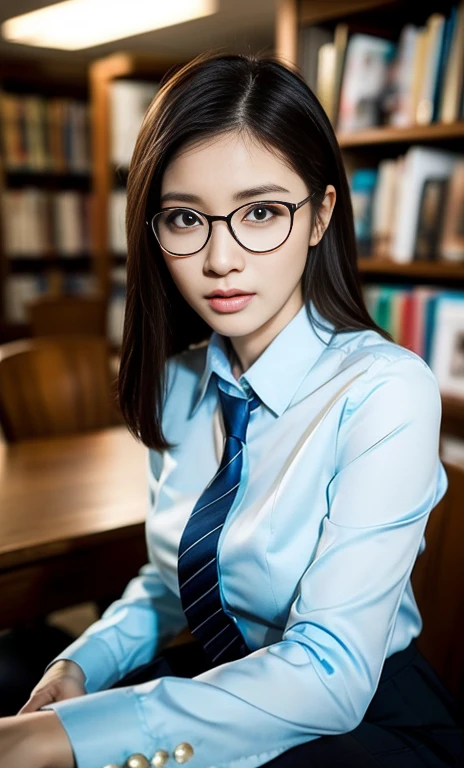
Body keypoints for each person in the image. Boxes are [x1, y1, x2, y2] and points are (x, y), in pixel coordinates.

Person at [0, 49, 462, 768]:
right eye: (186, 219)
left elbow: (329, 674)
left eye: (262, 212)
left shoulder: (386, 390)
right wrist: (84, 664)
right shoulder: (180, 383)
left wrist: (67, 736)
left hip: (361, 719)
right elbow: (174, 579)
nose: (221, 259)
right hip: (221, 684)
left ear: (320, 217)